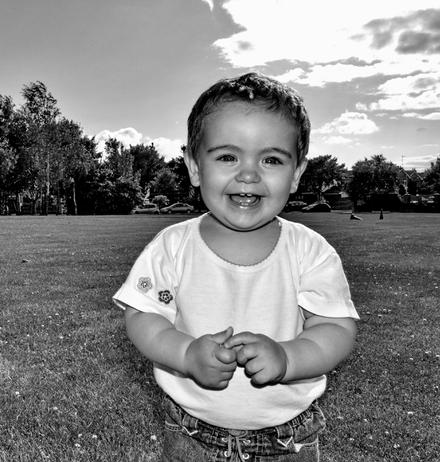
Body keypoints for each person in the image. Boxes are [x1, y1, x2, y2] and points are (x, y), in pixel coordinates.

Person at [113, 73, 359, 461]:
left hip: (287, 438)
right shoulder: (172, 247)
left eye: (271, 159)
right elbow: (144, 316)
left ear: (296, 174)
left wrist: (288, 358)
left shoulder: (310, 251)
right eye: (228, 157)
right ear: (195, 167)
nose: (248, 174)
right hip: (192, 433)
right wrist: (186, 354)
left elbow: (336, 328)